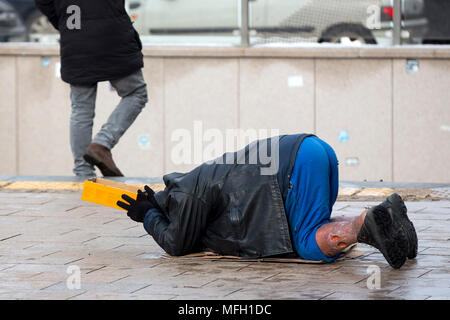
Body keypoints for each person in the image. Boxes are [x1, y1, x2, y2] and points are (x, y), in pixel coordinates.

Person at [118, 134, 418, 269]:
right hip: (313, 148)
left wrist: (147, 216)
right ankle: (389, 220)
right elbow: (192, 232)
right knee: (314, 225)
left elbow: (177, 243)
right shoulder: (198, 181)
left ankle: (367, 223)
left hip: (298, 162)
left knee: (307, 245)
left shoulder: (186, 193)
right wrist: (154, 210)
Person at [35, 0, 148, 177]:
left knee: (81, 109)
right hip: (111, 35)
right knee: (136, 93)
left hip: (75, 35)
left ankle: (83, 171)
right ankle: (101, 144)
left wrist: (66, 21)